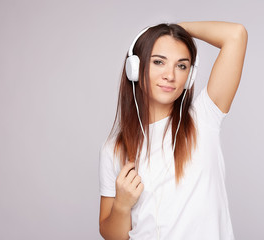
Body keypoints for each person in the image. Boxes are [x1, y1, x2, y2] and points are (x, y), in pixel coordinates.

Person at [99, 21, 248, 240]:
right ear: (135, 68)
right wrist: (121, 206)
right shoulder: (114, 148)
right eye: (159, 62)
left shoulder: (203, 118)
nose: (170, 75)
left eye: (181, 65)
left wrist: (174, 27)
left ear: (190, 75)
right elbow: (111, 234)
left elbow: (236, 35)